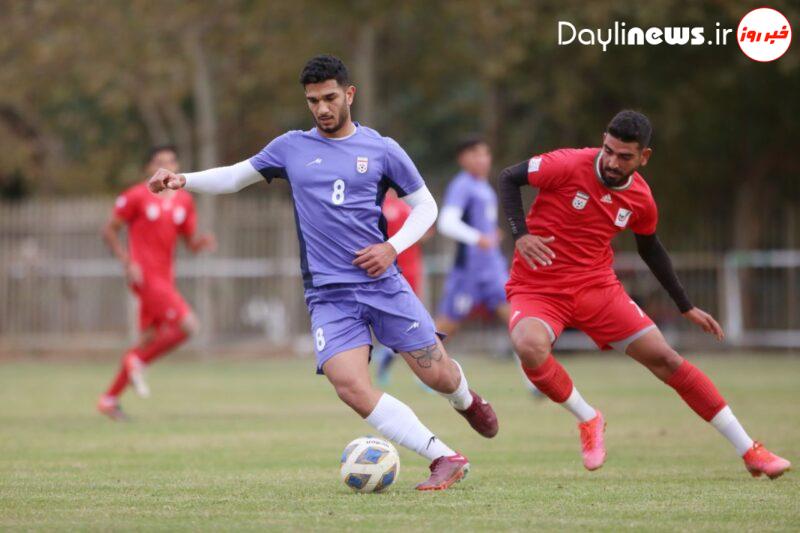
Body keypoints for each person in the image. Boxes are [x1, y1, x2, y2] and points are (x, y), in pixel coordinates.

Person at [147, 55, 498, 491]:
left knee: (436, 374)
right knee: (349, 386)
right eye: (313, 100)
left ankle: (466, 399)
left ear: (349, 94)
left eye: (330, 97)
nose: (322, 108)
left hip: (382, 285)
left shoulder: (382, 149)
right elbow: (235, 177)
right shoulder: (291, 147)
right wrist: (183, 180)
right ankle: (444, 456)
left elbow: (427, 207)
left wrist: (392, 247)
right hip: (329, 295)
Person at [498, 110, 790, 479]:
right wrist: (520, 233)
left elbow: (651, 249)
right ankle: (589, 419)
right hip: (538, 287)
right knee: (528, 345)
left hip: (597, 289)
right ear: (603, 140)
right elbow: (508, 178)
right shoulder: (567, 163)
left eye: (624, 156)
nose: (612, 162)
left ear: (643, 158)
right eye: (608, 150)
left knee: (666, 359)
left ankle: (750, 450)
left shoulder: (640, 199)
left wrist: (685, 306)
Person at [98, 145, 216, 420]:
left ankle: (109, 399)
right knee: (189, 326)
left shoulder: (184, 201)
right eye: (159, 162)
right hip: (144, 277)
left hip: (165, 279)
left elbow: (189, 242)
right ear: (149, 168)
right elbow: (110, 230)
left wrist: (202, 243)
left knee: (148, 339)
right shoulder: (136, 196)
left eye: (170, 162)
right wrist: (127, 262)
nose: (164, 167)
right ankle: (137, 362)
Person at [435, 137, 510, 338]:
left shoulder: (484, 187)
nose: (482, 159)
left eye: (485, 153)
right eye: (475, 154)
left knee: (516, 316)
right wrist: (479, 238)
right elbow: (446, 222)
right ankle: (422, 365)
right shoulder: (462, 186)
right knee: (447, 325)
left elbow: (483, 223)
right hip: (469, 270)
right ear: (463, 159)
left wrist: (493, 234)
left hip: (492, 268)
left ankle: (534, 365)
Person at [374, 188, 430, 385]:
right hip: (409, 268)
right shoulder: (407, 207)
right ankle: (422, 371)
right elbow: (424, 233)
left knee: (394, 318)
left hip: (385, 268)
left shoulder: (376, 206)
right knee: (413, 319)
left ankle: (387, 355)